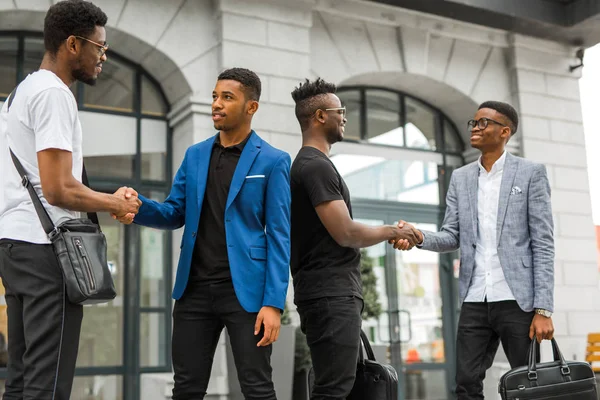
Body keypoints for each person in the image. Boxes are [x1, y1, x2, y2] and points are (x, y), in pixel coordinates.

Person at [115, 68, 291, 400]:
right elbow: (174, 212)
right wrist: (138, 206)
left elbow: (280, 236)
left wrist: (273, 303)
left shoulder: (273, 161)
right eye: (214, 96)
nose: (217, 104)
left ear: (251, 107)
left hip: (247, 293)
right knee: (186, 388)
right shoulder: (195, 155)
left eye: (227, 97)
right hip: (193, 290)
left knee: (257, 386)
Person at [0, 1, 141, 399]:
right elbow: (59, 188)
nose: (103, 57)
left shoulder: (19, 94)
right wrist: (115, 203)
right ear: (74, 44)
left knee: (22, 380)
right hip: (47, 252)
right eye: (100, 47)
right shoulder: (53, 95)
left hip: (15, 246)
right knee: (49, 382)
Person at [395, 101, 555, 399]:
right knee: (466, 383)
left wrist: (543, 309)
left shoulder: (531, 173)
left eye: (484, 123)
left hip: (517, 299)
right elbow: (451, 235)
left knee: (528, 384)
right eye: (474, 122)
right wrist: (418, 236)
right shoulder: (461, 177)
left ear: (504, 131)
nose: (475, 128)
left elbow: (543, 243)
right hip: (475, 298)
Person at [289, 78, 420, 399]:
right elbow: (345, 232)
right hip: (331, 295)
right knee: (334, 389)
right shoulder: (315, 167)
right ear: (320, 116)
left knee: (336, 386)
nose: (344, 117)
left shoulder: (310, 165)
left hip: (327, 294)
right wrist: (394, 230)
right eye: (340, 111)